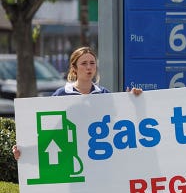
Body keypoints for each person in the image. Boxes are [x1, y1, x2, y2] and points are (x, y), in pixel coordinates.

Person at [12, 46, 142, 159]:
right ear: (74, 68)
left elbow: (120, 126)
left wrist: (134, 100)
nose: (89, 67)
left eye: (92, 63)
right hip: (71, 158)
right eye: (84, 63)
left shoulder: (104, 94)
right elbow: (47, 130)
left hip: (101, 157)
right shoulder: (61, 95)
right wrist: (25, 151)